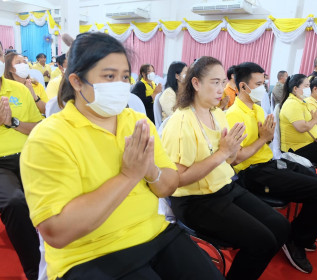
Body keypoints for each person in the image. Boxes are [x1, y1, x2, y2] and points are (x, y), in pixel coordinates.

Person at [20, 33, 223, 280]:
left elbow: (169, 185)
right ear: (76, 81)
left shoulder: (136, 121)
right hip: (92, 255)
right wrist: (128, 175)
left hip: (155, 234)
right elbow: (57, 232)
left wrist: (150, 171)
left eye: (125, 76)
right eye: (109, 76)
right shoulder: (49, 137)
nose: (120, 84)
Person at [162, 56, 290, 280]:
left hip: (225, 187)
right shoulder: (181, 122)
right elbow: (177, 180)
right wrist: (223, 152)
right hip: (196, 200)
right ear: (195, 84)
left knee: (280, 226)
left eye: (223, 82)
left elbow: (229, 162)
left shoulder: (218, 113)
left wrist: (231, 151)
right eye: (215, 82)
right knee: (263, 241)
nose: (222, 88)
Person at [225, 62, 317, 274]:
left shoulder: (257, 108)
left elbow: (266, 142)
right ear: (242, 87)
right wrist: (263, 139)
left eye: (264, 82)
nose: (264, 86)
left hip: (270, 163)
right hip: (253, 173)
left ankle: (296, 234)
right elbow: (236, 159)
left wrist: (265, 140)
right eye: (258, 83)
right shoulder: (233, 115)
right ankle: (296, 240)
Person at [0, 40, 42, 280]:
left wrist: (12, 122)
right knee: (15, 202)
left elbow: (37, 126)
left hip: (28, 156)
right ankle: (35, 271)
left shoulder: (19, 90)